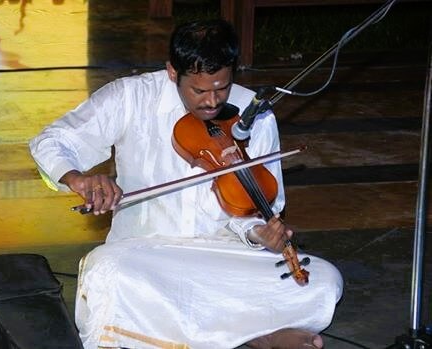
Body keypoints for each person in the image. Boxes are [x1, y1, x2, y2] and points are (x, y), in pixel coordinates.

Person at [30, 19, 343, 349]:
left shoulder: (254, 114)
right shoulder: (131, 96)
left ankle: (183, 329)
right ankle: (256, 333)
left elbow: (262, 207)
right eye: (199, 90)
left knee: (323, 281)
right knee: (105, 270)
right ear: (171, 72)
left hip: (223, 258)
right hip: (147, 257)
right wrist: (78, 179)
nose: (211, 101)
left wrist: (259, 233)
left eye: (221, 88)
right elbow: (51, 141)